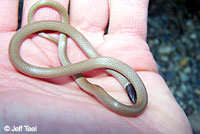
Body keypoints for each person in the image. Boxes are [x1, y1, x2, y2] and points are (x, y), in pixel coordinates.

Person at [0, 0, 192, 133]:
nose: (134, 101)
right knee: (83, 69)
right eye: (131, 93)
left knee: (85, 73)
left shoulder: (134, 97)